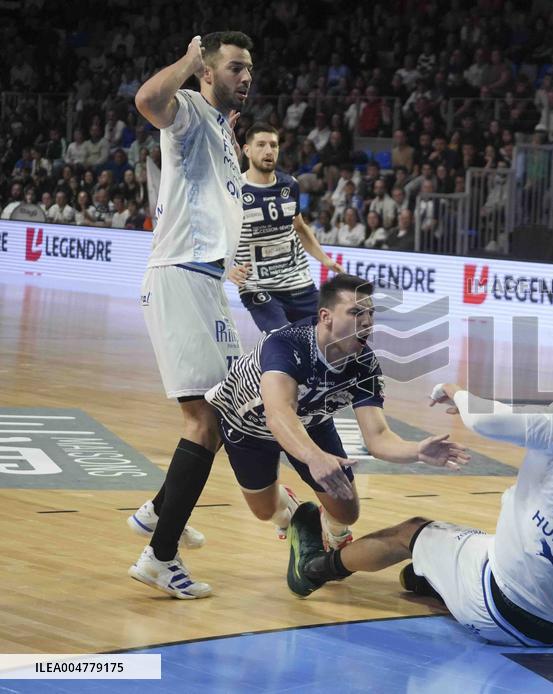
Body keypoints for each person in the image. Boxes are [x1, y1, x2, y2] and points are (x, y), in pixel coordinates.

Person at [286, 361, 553, 647]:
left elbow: (487, 420)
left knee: (411, 531)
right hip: (550, 633)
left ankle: (313, 570)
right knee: (479, 545)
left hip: (491, 598)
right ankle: (430, 580)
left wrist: (454, 389)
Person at [206, 274, 469, 554]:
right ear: (326, 316)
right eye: (356, 313)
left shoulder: (365, 365)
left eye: (370, 313)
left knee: (347, 512)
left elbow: (378, 437)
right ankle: (292, 515)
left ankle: (332, 535)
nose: (367, 321)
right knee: (265, 510)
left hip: (313, 422)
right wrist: (314, 457)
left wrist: (417, 451)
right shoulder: (288, 344)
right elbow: (279, 415)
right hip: (248, 425)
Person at [127, 32, 253, 599]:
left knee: (225, 413)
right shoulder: (193, 111)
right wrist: (184, 60)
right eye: (234, 67)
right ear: (208, 70)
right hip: (179, 277)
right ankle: (159, 554)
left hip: (207, 284)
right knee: (204, 422)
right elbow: (149, 102)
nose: (245, 77)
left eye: (249, 69)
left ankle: (160, 512)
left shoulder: (225, 131)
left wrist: (234, 261)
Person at [227, 123, 343, 334]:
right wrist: (227, 268)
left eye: (274, 145)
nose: (269, 151)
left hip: (299, 282)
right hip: (258, 287)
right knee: (285, 340)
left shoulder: (290, 184)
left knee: (331, 335)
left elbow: (299, 227)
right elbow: (215, 234)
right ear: (247, 150)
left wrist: (325, 259)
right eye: (261, 145)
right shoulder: (233, 190)